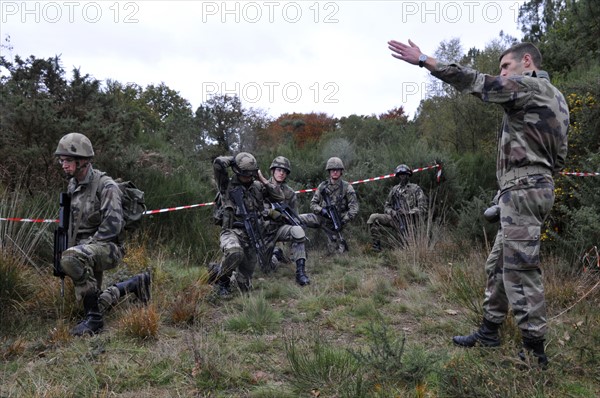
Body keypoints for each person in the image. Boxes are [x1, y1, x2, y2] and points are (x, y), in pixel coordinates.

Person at [388, 39, 568, 366]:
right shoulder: (558, 99)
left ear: (526, 61)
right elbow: (560, 158)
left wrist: (425, 61)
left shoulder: (529, 87)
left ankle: (534, 352)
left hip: (524, 190)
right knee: (499, 264)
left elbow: (476, 82)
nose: (502, 73)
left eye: (506, 67)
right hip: (531, 188)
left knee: (520, 269)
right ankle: (488, 332)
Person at [55, 133, 151, 336]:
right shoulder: (73, 185)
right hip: (87, 248)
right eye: (61, 160)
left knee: (72, 258)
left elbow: (112, 227)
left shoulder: (106, 186)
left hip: (108, 247)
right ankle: (135, 283)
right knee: (95, 300)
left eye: (68, 160)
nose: (63, 165)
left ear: (83, 161)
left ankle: (94, 321)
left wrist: (78, 251)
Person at [210, 152, 284, 296]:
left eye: (251, 174)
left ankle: (216, 270)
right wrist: (236, 159)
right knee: (235, 252)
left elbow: (279, 196)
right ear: (237, 171)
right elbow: (218, 163)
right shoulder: (226, 185)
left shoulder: (257, 186)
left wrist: (263, 180)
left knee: (244, 286)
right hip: (232, 232)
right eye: (245, 174)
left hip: (251, 237)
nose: (248, 177)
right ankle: (223, 283)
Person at [262, 156, 310, 286]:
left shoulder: (289, 193)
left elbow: (295, 215)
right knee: (266, 268)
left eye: (284, 171)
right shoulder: (260, 187)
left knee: (298, 230)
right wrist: (270, 213)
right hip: (264, 231)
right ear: (273, 171)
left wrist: (294, 222)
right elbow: (254, 210)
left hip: (281, 229)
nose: (281, 173)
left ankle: (300, 273)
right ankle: (276, 255)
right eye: (278, 170)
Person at [300, 157, 359, 253]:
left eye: (337, 170)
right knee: (299, 219)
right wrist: (322, 211)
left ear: (341, 171)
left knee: (336, 251)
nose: (335, 172)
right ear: (329, 171)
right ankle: (299, 247)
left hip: (337, 221)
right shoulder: (322, 186)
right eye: (332, 170)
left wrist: (343, 221)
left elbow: (354, 209)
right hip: (322, 218)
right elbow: (313, 204)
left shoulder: (347, 187)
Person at [367, 164, 427, 251]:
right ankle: (376, 245)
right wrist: (392, 212)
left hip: (410, 222)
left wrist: (408, 213)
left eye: (404, 174)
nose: (402, 177)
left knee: (407, 248)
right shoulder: (394, 190)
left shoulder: (416, 189)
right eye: (400, 175)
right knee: (373, 217)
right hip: (394, 218)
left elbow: (423, 208)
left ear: (408, 175)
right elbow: (387, 206)